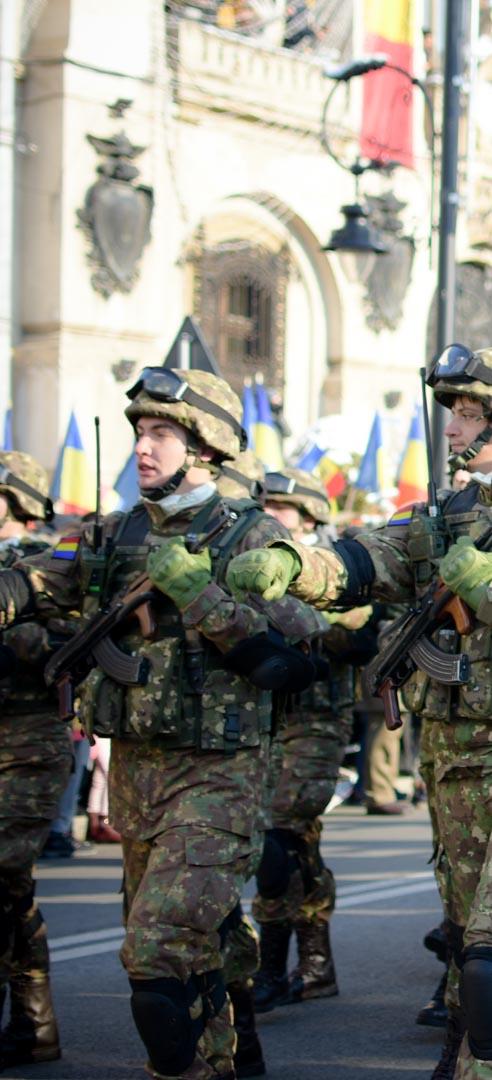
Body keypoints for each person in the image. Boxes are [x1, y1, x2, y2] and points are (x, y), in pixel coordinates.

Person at [228, 345, 492, 1080]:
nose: (451, 427)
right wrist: (296, 565)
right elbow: (362, 563)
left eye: (469, 412)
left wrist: (491, 592)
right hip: (454, 758)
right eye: (453, 411)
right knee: (468, 948)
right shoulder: (441, 516)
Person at [0, 368, 306, 1079]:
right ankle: (233, 1041)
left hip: (219, 772)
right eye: (139, 431)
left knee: (157, 951)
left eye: (161, 432)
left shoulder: (252, 536)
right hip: (138, 773)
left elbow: (291, 651)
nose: (142, 446)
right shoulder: (111, 533)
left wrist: (197, 594)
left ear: (205, 446)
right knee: (200, 933)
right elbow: (35, 578)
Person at [251, 468, 378, 1013]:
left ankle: (270, 969)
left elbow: (364, 638)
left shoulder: (341, 569)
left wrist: (307, 617)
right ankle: (316, 961)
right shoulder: (250, 564)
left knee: (279, 838)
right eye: (266, 506)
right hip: (263, 723)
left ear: (309, 517)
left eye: (282, 508)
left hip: (318, 722)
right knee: (297, 844)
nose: (271, 517)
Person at [0, 451, 66, 1068]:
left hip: (28, 742)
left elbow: (71, 639)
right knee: (10, 886)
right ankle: (34, 1024)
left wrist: (13, 640)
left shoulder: (50, 560)